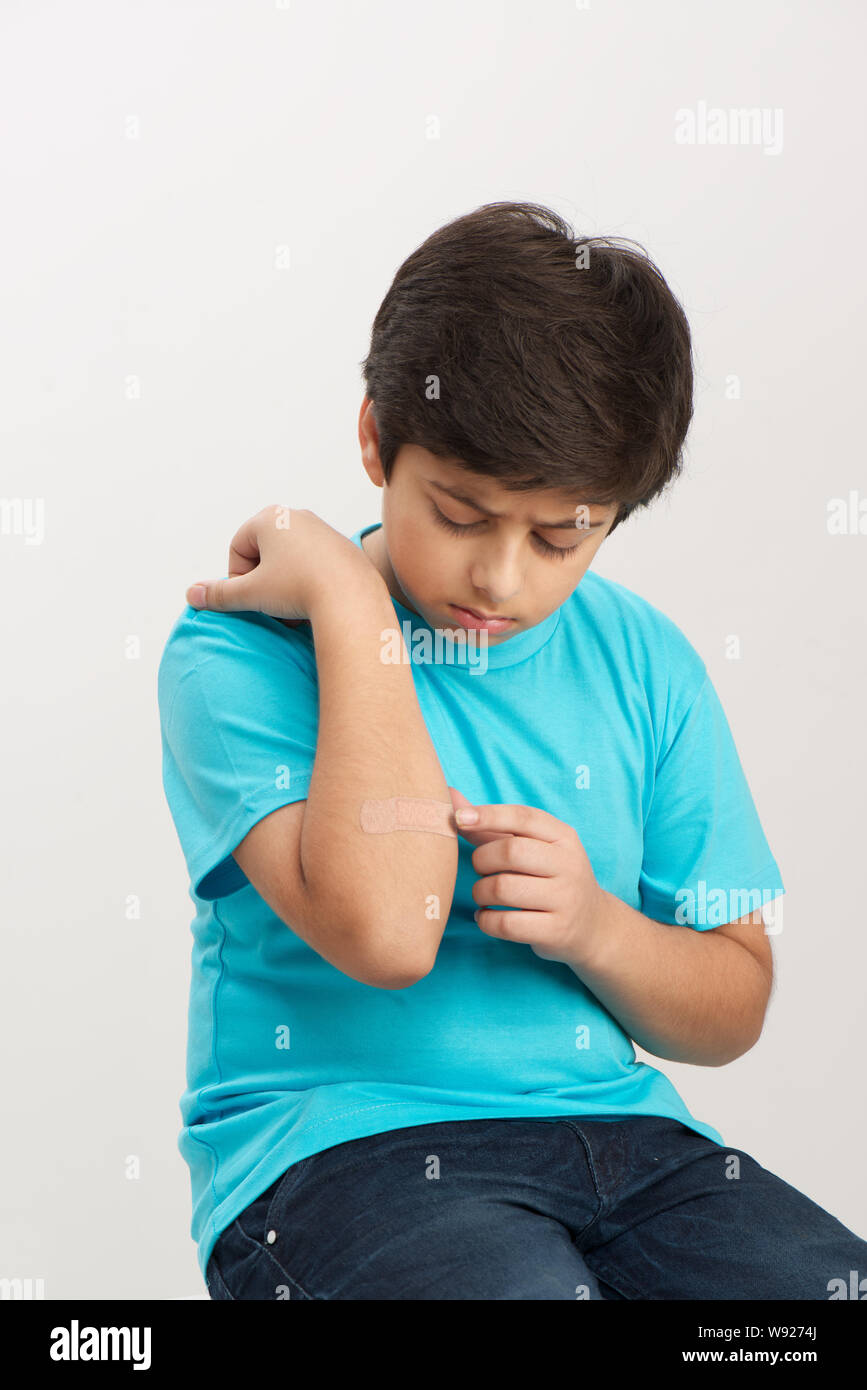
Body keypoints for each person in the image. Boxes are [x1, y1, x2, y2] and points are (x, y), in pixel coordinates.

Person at [157, 201, 867, 1300]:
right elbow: (389, 934)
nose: (500, 578)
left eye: (558, 536)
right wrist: (353, 604)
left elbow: (733, 1003)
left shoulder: (646, 661)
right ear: (374, 441)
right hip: (337, 1156)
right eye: (459, 513)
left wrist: (597, 928)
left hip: (635, 1152)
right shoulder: (237, 653)